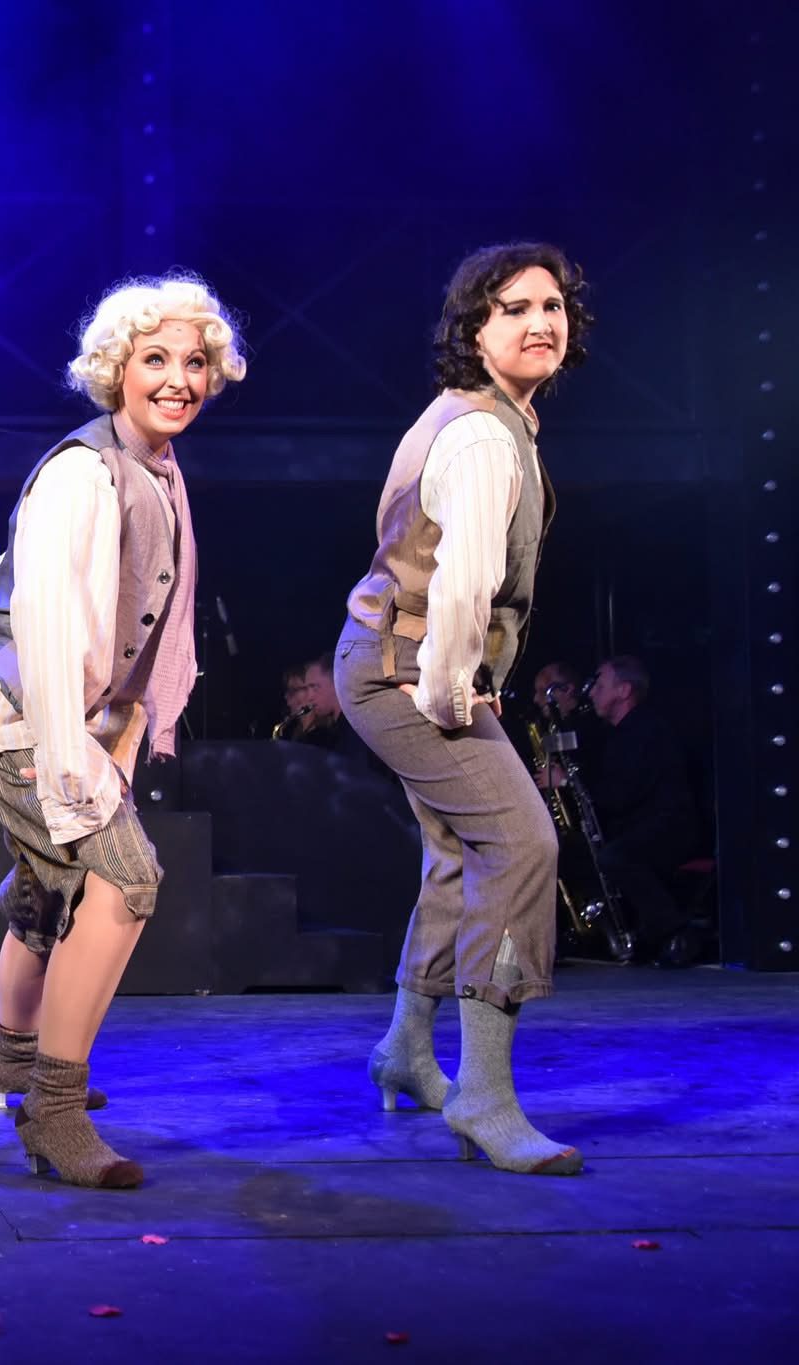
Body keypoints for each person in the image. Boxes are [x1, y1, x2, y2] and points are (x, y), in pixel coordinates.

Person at [0, 274, 246, 1189]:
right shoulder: (82, 471)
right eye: (156, 359)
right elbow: (44, 626)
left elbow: (145, 640)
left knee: (53, 880)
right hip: (18, 714)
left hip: (79, 716)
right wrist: (68, 762)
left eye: (194, 362)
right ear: (117, 370)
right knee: (125, 875)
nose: (178, 379)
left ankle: (13, 1055)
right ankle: (55, 1107)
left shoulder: (162, 472)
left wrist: (116, 745)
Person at [336, 242, 591, 1176]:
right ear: (474, 331)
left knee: (459, 852)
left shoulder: (484, 417)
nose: (540, 322)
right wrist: (448, 694)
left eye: (552, 306)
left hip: (391, 657)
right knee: (521, 845)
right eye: (513, 308)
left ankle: (407, 1049)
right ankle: (483, 1094)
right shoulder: (483, 435)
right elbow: (462, 585)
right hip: (411, 670)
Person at [581, 656, 703, 964]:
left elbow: (622, 794)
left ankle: (675, 931)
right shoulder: (618, 735)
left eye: (600, 685)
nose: (592, 692)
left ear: (624, 691)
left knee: (614, 857)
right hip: (643, 826)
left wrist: (572, 781)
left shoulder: (647, 731)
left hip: (671, 828)